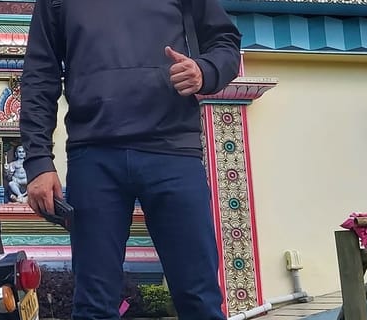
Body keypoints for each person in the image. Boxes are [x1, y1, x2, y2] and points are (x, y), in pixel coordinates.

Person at [18, 0, 242, 319]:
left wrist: (205, 71)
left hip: (172, 152)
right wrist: (39, 160)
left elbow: (226, 42)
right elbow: (40, 75)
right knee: (94, 304)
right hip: (94, 158)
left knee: (198, 296)